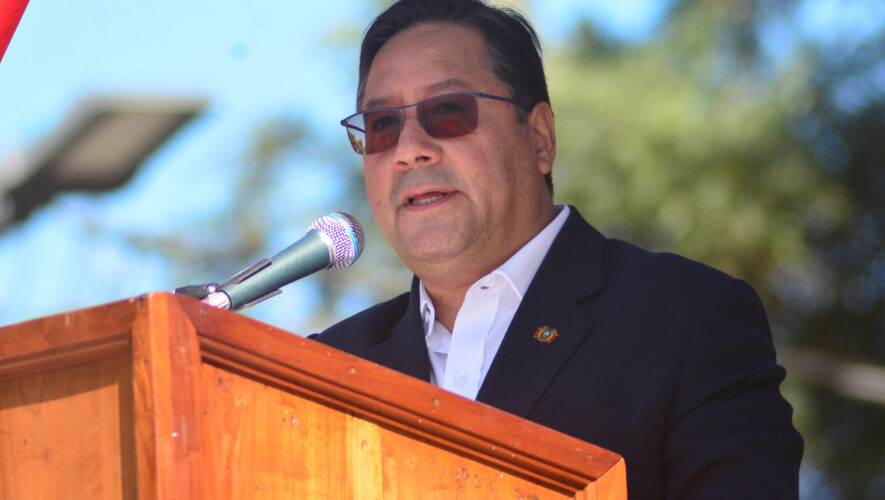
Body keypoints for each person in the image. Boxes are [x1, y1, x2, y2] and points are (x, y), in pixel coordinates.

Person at [314, 0, 803, 498]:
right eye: (382, 125)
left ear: (540, 137)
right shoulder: (325, 371)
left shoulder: (686, 318)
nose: (408, 149)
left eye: (447, 111)